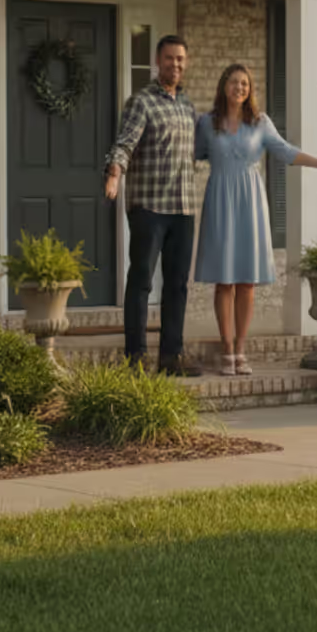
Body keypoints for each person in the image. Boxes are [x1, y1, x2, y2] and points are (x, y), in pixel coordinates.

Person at [193, 64, 317, 376]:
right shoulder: (207, 123)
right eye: (235, 82)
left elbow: (286, 151)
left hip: (250, 203)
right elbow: (192, 155)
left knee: (246, 281)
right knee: (224, 281)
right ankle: (225, 349)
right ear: (224, 86)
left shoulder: (260, 123)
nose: (240, 88)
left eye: (245, 84)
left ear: (249, 90)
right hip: (220, 201)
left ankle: (240, 349)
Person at [104, 35, 202, 376]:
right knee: (142, 280)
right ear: (157, 62)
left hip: (184, 207)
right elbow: (124, 143)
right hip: (149, 207)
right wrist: (114, 174)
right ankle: (135, 358)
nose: (175, 64)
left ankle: (171, 358)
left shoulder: (188, 106)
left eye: (180, 59)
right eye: (169, 58)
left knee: (177, 284)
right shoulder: (141, 102)